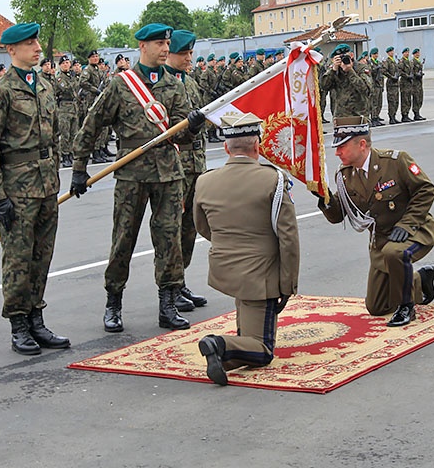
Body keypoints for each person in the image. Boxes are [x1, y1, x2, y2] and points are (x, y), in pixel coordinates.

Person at [70, 23, 206, 333]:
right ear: (142, 46)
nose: (164, 49)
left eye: (167, 43)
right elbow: (91, 125)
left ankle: (167, 304)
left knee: (169, 239)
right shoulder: (122, 85)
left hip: (170, 173)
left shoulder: (174, 85)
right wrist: (79, 168)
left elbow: (181, 137)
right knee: (123, 239)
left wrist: (193, 126)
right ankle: (113, 302)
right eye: (159, 43)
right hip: (132, 174)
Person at [0, 22, 70, 356]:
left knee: (42, 255)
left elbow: (55, 136)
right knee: (18, 258)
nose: (37, 48)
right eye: (29, 44)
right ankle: (18, 323)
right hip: (17, 187)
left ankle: (36, 318)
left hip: (45, 184)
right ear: (11, 50)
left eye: (37, 43)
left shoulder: (45, 85)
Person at [193, 113, 300, 386]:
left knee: (249, 332)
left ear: (226, 147)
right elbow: (288, 238)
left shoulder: (204, 181)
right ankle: (218, 344)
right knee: (263, 350)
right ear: (257, 146)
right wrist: (287, 284)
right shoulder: (273, 180)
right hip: (260, 275)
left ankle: (223, 354)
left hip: (224, 268)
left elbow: (203, 227)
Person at [316, 116, 434, 327]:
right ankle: (421, 279)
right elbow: (339, 216)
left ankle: (406, 307)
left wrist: (407, 224)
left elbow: (426, 190)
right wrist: (324, 198)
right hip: (382, 242)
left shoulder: (395, 161)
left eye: (342, 146)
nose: (337, 152)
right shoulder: (346, 175)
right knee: (376, 307)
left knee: (395, 253)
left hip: (414, 231)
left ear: (362, 144)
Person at [163, 29, 209, 312]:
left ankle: (181, 282)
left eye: (191, 53)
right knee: (172, 229)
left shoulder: (189, 83)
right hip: (176, 166)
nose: (189, 58)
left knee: (190, 227)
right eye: (184, 54)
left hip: (196, 164)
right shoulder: (161, 85)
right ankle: (170, 286)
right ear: (169, 54)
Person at [319, 44, 372, 118]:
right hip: (340, 115)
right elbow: (324, 86)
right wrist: (333, 70)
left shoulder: (361, 68)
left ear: (352, 55)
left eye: (345, 56)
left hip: (359, 114)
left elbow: (366, 90)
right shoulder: (335, 70)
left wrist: (350, 71)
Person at [381, 46, 400, 124]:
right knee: (391, 101)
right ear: (388, 53)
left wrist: (397, 76)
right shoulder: (387, 61)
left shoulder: (394, 61)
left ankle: (394, 116)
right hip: (391, 84)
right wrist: (391, 77)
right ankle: (391, 117)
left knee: (396, 101)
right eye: (390, 52)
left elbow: (398, 70)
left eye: (393, 51)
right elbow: (384, 71)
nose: (392, 53)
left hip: (396, 84)